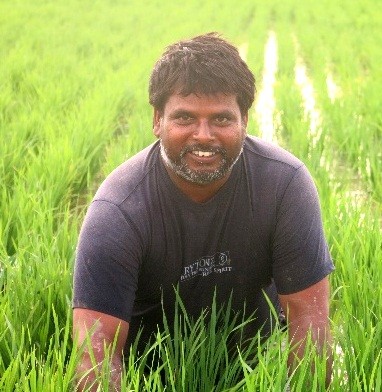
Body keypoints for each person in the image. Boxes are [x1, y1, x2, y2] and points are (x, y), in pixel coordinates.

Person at [72, 32, 334, 390]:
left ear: (244, 119)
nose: (204, 135)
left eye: (222, 119)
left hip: (252, 367)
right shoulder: (118, 211)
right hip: (152, 376)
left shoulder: (284, 186)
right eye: (185, 118)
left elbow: (309, 321)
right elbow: (96, 356)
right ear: (157, 120)